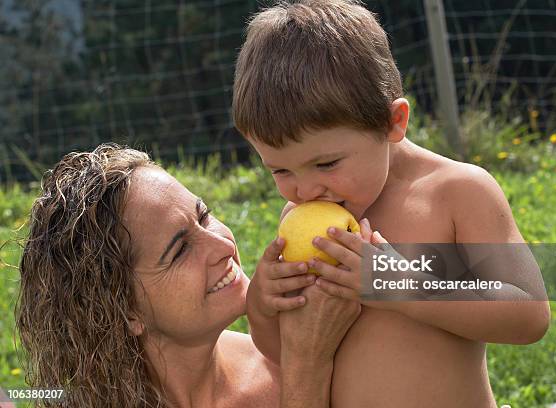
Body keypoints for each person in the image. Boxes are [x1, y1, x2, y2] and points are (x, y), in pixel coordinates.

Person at [232, 1, 551, 406]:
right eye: (280, 171)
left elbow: (528, 313)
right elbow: (289, 355)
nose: (306, 190)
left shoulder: (454, 193)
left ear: (393, 123)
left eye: (326, 163)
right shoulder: (302, 219)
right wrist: (262, 306)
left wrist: (404, 286)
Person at [16, 143, 360, 407]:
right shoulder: (303, 358)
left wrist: (380, 274)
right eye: (180, 250)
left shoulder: (282, 354)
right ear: (125, 310)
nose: (222, 245)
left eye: (204, 215)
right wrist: (307, 370)